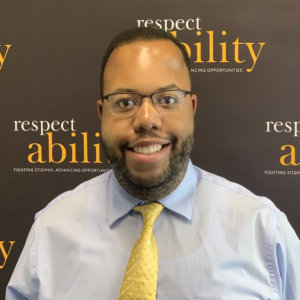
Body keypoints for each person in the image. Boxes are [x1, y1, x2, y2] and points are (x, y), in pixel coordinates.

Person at [6, 27, 300, 300]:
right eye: (125, 102)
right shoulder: (50, 231)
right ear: (101, 114)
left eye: (168, 99)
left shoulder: (263, 230)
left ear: (192, 109)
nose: (147, 119)